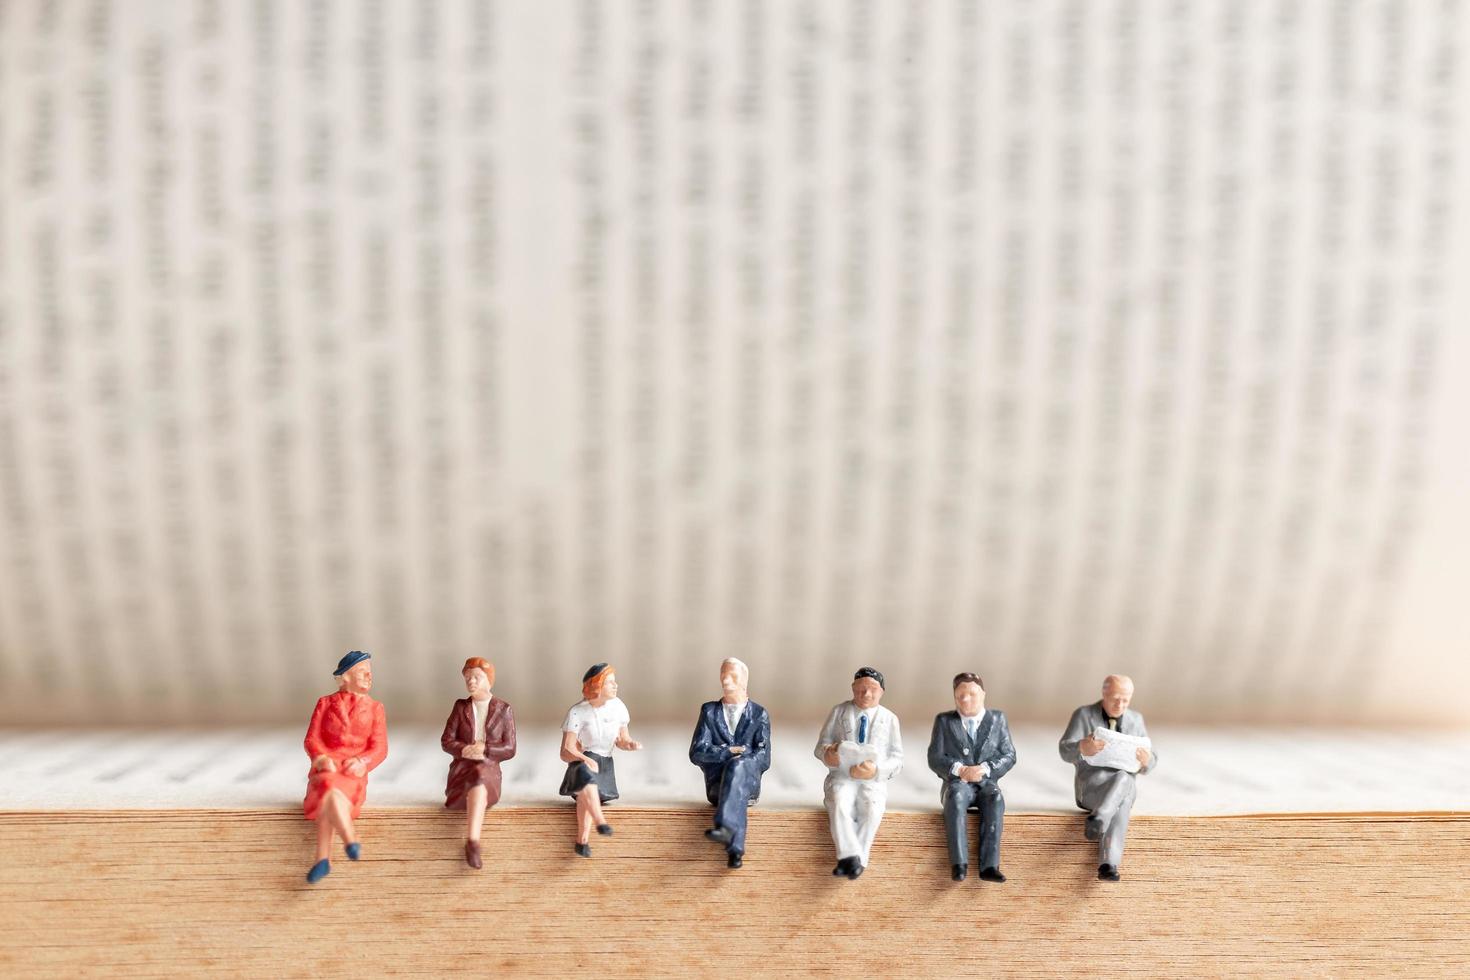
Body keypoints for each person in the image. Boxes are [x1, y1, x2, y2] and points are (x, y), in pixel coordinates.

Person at [1058, 674, 1157, 881]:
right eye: (1115, 698)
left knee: (1123, 782)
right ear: (1104, 693)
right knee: (1124, 787)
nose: (1120, 705)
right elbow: (1065, 749)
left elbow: (1152, 757)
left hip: (1122, 790)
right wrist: (1082, 747)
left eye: (1126, 700)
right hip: (1093, 786)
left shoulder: (1135, 719)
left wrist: (1146, 760)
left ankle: (1101, 821)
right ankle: (1109, 863)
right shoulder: (1084, 715)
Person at [302, 650, 388, 884]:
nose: (368, 677)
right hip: (327, 766)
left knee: (330, 795)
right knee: (328, 785)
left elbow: (379, 747)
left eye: (370, 673)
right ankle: (349, 838)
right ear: (345, 676)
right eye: (362, 672)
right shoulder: (325, 703)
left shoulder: (375, 708)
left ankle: (324, 859)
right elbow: (312, 739)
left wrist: (362, 762)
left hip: (352, 771)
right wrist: (320, 758)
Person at [814, 666, 903, 879]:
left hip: (872, 779)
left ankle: (855, 859)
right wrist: (828, 754)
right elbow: (821, 745)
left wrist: (876, 770)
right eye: (861, 689)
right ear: (853, 688)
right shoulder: (839, 711)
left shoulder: (889, 719)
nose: (866, 694)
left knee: (871, 809)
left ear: (881, 691)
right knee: (839, 802)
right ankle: (850, 857)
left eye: (872, 689)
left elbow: (897, 759)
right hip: (843, 775)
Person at [926, 672, 1015, 883]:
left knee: (995, 799)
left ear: (983, 694)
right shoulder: (945, 721)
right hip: (959, 782)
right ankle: (959, 863)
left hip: (986, 781)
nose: (966, 700)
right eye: (960, 695)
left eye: (972, 694)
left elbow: (1009, 755)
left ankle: (989, 865)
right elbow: (934, 757)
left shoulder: (997, 719)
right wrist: (959, 769)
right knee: (955, 798)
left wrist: (985, 768)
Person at [689, 658, 771, 869]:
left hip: (749, 782)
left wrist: (742, 760)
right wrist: (727, 752)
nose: (726, 680)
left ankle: (726, 828)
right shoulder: (709, 711)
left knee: (738, 768)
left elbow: (764, 758)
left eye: (732, 676)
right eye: (723, 675)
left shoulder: (759, 714)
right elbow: (696, 752)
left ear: (744, 681)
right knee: (737, 782)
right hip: (718, 785)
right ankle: (735, 850)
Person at [440, 657, 517, 869]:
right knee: (474, 774)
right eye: (467, 678)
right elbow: (446, 741)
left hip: (488, 768)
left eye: (477, 677)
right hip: (462, 769)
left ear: (489, 680)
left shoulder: (503, 709)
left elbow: (510, 748)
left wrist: (486, 749)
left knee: (480, 776)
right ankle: (472, 841)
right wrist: (465, 749)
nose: (471, 682)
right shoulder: (460, 707)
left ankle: (472, 842)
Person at [558, 664, 641, 857]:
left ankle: (582, 841)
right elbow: (566, 750)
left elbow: (622, 739)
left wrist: (629, 744)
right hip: (581, 762)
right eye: (610, 682)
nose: (616, 685)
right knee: (588, 782)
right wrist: (584, 758)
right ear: (597, 685)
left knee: (584, 799)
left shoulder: (618, 707)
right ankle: (600, 822)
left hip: (605, 763)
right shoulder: (578, 712)